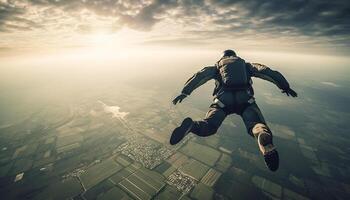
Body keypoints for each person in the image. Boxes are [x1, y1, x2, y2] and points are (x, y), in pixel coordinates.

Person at [170, 49, 297, 171]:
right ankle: (261, 135)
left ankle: (192, 126)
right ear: (235, 55)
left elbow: (199, 76)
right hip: (246, 101)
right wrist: (284, 86)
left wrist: (185, 92)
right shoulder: (246, 66)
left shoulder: (217, 67)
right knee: (256, 125)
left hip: (223, 101)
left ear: (222, 57)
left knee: (209, 126)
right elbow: (266, 71)